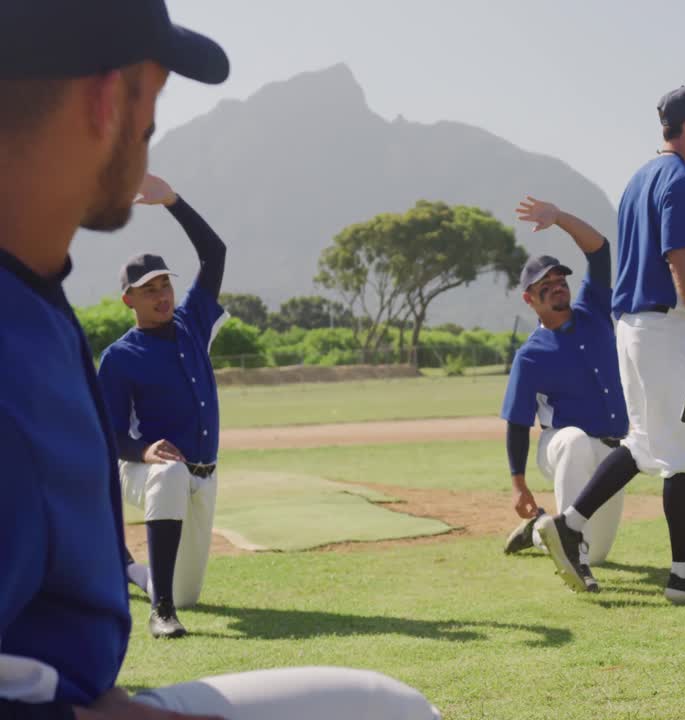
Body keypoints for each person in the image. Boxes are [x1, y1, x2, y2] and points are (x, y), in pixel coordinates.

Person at [0, 1, 439, 717]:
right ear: (112, 98)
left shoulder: (37, 304)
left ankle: (156, 586)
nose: (151, 129)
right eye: (155, 100)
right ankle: (160, 594)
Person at [535, 86, 685, 604]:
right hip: (665, 326)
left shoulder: (638, 181)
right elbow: (682, 265)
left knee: (644, 442)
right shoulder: (681, 181)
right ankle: (684, 575)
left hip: (632, 327)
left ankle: (571, 524)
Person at [97, 173, 227, 639]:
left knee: (186, 588)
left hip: (204, 475)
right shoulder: (119, 357)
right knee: (169, 471)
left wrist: (172, 200)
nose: (161, 294)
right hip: (142, 470)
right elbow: (108, 435)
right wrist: (145, 451)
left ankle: (134, 572)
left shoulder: (193, 323)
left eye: (164, 284)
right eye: (149, 288)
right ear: (128, 298)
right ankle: (162, 613)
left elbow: (215, 254)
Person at [499, 198, 630, 592]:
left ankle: (541, 531)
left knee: (602, 551)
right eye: (546, 286)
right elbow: (519, 424)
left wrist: (559, 219)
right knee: (575, 441)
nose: (557, 289)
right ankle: (575, 552)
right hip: (559, 446)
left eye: (560, 282)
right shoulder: (530, 356)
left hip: (612, 454)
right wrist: (519, 484)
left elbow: (600, 250)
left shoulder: (592, 310)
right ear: (529, 299)